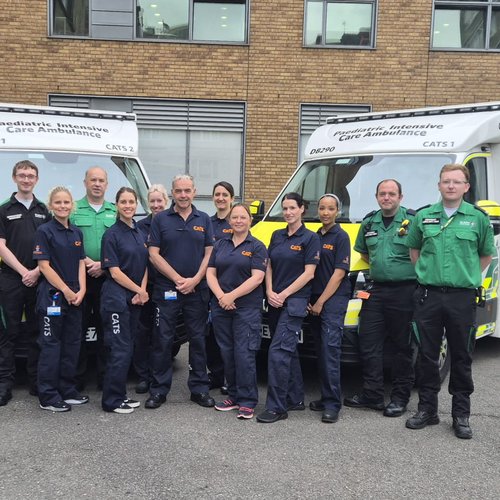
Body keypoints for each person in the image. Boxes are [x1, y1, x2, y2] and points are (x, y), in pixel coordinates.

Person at [405, 164, 494, 439]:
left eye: (457, 182)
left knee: (462, 357)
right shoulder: (424, 216)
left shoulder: (477, 219)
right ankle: (427, 410)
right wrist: (428, 274)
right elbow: (414, 250)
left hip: (461, 297)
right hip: (429, 296)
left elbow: (485, 255)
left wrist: (464, 275)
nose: (451, 186)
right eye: (446, 181)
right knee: (428, 356)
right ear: (439, 185)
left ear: (467, 187)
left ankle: (461, 415)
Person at [343, 179, 416, 418]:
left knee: (401, 347)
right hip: (376, 290)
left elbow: (423, 252)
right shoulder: (369, 222)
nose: (387, 197)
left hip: (405, 291)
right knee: (368, 342)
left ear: (400, 197)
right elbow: (364, 251)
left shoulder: (413, 222)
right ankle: (372, 395)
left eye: (391, 194)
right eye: (382, 194)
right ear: (377, 197)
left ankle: (399, 397)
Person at [145, 174, 215, 409]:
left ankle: (199, 389)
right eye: (178, 191)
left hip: (197, 290)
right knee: (162, 340)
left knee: (198, 340)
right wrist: (177, 279)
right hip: (167, 290)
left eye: (187, 190)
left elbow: (209, 253)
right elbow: (153, 254)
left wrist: (195, 280)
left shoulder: (204, 219)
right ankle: (158, 390)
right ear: (172, 193)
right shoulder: (160, 220)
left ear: (194, 192)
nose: (183, 195)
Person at [256, 192, 320, 424]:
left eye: (292, 207)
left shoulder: (310, 238)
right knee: (288, 350)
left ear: (302, 209)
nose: (288, 212)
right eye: (285, 208)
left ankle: (276, 407)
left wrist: (283, 294)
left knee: (278, 353)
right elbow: (269, 264)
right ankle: (295, 398)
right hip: (274, 300)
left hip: (293, 303)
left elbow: (309, 273)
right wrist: (270, 291)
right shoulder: (277, 235)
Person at [207, 203, 268, 420]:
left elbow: (257, 277)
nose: (239, 220)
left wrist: (231, 297)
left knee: (244, 354)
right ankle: (233, 395)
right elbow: (210, 273)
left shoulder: (257, 246)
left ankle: (248, 400)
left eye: (243, 217)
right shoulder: (220, 244)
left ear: (250, 220)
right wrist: (222, 297)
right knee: (227, 352)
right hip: (222, 307)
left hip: (246, 309)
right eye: (235, 217)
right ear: (230, 220)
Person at [0, 160, 51, 406]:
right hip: (11, 278)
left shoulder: (44, 209)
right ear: (14, 177)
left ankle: (36, 382)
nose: (26, 179)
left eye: (31, 175)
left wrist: (37, 272)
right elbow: (0, 246)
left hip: (39, 279)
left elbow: (50, 246)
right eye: (22, 175)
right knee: (7, 334)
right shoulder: (4, 209)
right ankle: (4, 385)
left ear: (37, 179)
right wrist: (24, 271)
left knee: (36, 332)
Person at [33, 187, 87, 412]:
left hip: (75, 297)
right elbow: (43, 266)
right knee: (51, 347)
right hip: (54, 296)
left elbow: (82, 262)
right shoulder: (44, 231)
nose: (63, 206)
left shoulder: (76, 233)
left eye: (66, 202)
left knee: (72, 345)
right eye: (58, 202)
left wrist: (82, 289)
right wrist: (65, 289)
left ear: (71, 205)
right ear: (51, 205)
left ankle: (68, 390)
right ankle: (47, 396)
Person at [100, 187, 149, 414]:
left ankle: (121, 395)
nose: (128, 206)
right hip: (116, 300)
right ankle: (111, 400)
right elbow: (115, 272)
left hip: (135, 299)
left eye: (131, 202)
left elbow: (145, 264)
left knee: (127, 348)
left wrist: (142, 291)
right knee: (119, 350)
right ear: (116, 205)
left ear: (136, 204)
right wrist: (139, 290)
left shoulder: (138, 232)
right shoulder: (111, 234)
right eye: (123, 202)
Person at [71, 167, 117, 389]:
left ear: (107, 184)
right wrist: (88, 262)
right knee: (77, 328)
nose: (97, 184)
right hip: (80, 278)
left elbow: (120, 243)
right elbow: (68, 241)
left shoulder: (114, 210)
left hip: (107, 278)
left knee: (105, 328)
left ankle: (103, 377)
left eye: (101, 180)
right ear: (85, 182)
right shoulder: (73, 210)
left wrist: (103, 265)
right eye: (93, 180)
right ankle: (78, 377)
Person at [308, 194, 351, 423]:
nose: (325, 212)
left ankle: (333, 404)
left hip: (332, 300)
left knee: (330, 350)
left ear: (338, 211)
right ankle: (326, 397)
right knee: (320, 350)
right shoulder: (315, 235)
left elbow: (338, 274)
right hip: (315, 298)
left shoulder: (341, 237)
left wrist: (320, 302)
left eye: (330, 208)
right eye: (322, 208)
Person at [133, 184, 169, 394]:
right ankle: (143, 376)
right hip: (144, 286)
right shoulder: (139, 226)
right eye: (152, 201)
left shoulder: (172, 224)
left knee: (161, 335)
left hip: (165, 287)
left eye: (159, 201)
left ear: (166, 201)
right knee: (142, 332)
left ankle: (158, 375)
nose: (156, 205)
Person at [207, 181, 235, 392]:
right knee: (212, 335)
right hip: (211, 286)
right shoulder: (208, 222)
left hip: (233, 289)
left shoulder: (238, 221)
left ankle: (229, 378)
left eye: (225, 194)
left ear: (232, 198)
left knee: (230, 337)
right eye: (217, 194)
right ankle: (215, 375)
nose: (221, 198)